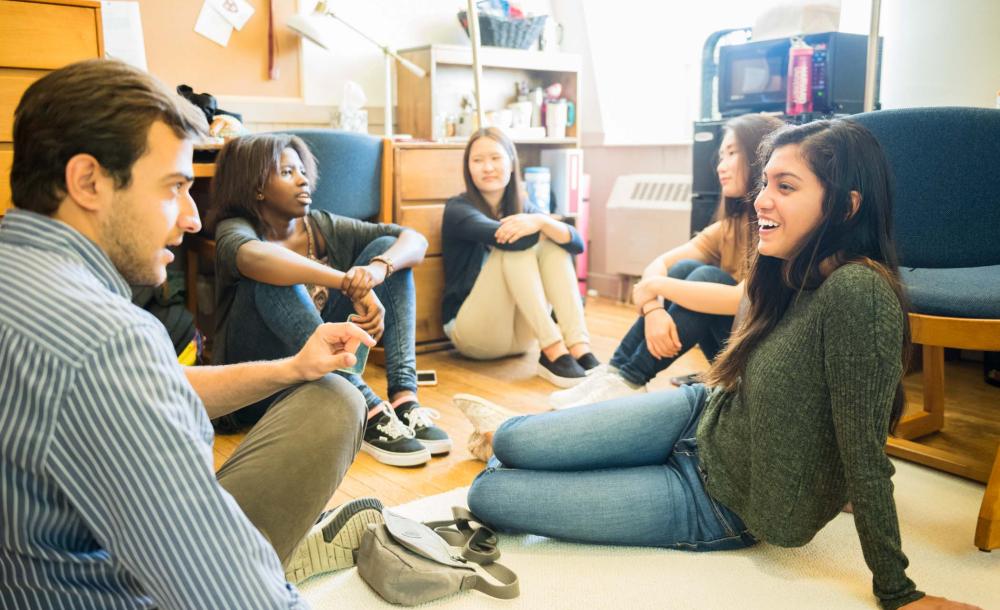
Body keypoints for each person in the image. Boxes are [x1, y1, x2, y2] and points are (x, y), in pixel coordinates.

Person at [455, 119, 980, 610]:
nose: (761, 200)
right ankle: (554, 432)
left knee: (492, 493)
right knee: (514, 441)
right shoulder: (790, 267)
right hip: (697, 415)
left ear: (846, 206)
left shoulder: (859, 292)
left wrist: (899, 591)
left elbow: (865, 450)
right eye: (765, 183)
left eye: (786, 187)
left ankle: (572, 447)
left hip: (712, 501)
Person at [0, 59, 382, 609]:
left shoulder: (27, 280)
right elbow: (230, 594)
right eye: (175, 187)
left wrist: (291, 368)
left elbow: (138, 390)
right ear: (87, 181)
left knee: (332, 400)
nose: (191, 218)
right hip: (116, 589)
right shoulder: (108, 340)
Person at [208, 134, 450, 467]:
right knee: (270, 274)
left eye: (302, 171)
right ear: (257, 187)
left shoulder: (320, 225)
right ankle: (367, 406)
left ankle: (404, 399)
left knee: (389, 252)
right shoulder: (234, 229)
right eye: (288, 172)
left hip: (316, 375)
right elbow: (256, 259)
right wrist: (350, 283)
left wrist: (378, 270)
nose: (303, 179)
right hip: (257, 388)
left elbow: (414, 240)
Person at [550, 113, 785, 409]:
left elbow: (739, 300)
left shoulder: (776, 228)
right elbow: (656, 267)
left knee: (705, 278)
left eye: (731, 154)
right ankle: (617, 375)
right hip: (732, 347)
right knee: (684, 269)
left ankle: (629, 379)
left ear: (757, 157)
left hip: (761, 358)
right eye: (720, 156)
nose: (720, 166)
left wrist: (659, 286)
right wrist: (653, 312)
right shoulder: (731, 228)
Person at [441, 127, 598, 388]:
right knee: (515, 244)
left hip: (521, 337)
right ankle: (553, 350)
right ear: (468, 168)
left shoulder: (524, 208)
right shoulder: (458, 209)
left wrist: (540, 220)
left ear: (512, 163)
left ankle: (580, 348)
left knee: (554, 246)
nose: (487, 167)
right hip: (473, 334)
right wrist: (545, 225)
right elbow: (516, 239)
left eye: (495, 158)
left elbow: (576, 244)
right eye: (477, 160)